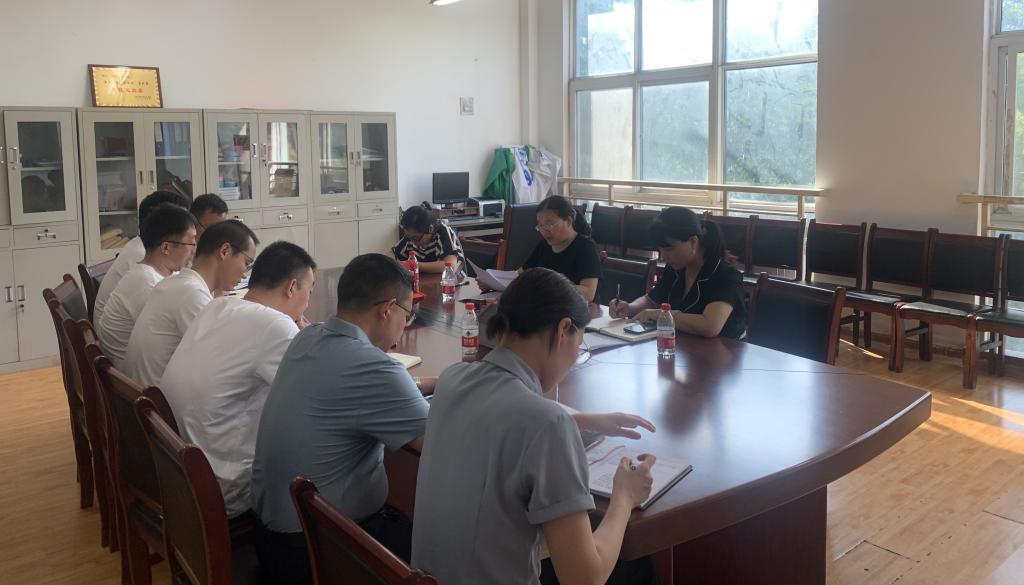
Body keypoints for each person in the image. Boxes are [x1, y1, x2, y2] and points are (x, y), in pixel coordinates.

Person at [412, 267, 659, 585]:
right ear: (563, 330)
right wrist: (624, 496)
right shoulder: (547, 424)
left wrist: (581, 420)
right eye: (579, 346)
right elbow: (585, 579)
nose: (574, 358)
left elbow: (505, 417)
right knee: (639, 568)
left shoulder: (452, 380)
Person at [253, 254, 433, 585]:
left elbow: (356, 388)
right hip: (320, 554)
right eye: (406, 315)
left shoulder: (308, 337)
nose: (403, 327)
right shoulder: (375, 368)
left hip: (271, 540)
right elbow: (440, 442)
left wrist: (424, 384)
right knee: (437, 547)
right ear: (387, 309)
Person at [160, 241, 316, 520]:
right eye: (310, 291)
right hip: (225, 488)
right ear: (292, 287)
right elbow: (317, 397)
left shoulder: (218, 305)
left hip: (180, 472)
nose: (308, 303)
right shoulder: (275, 325)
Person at [123, 220, 258, 387]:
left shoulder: (178, 283)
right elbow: (220, 364)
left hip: (145, 394)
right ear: (225, 251)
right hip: (157, 399)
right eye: (247, 263)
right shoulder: (192, 294)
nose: (245, 274)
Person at [609, 206, 747, 339]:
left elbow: (710, 326)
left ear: (693, 242)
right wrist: (629, 308)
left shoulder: (725, 274)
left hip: (724, 349)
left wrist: (660, 315)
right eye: (660, 250)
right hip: (685, 345)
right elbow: (651, 300)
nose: (664, 257)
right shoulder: (676, 267)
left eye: (669, 249)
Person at [96, 204, 197, 368]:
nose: (194, 250)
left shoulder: (150, 273)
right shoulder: (148, 284)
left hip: (131, 370)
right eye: (191, 242)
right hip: (129, 378)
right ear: (166, 247)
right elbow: (185, 341)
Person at [94, 190, 190, 324]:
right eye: (182, 222)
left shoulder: (146, 247)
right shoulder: (142, 255)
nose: (188, 227)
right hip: (122, 333)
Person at [520, 195, 602, 302]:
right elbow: (521, 274)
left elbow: (588, 293)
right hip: (546, 306)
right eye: (540, 226)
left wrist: (549, 286)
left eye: (549, 224)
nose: (544, 231)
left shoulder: (586, 247)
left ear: (568, 221)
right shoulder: (543, 246)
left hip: (577, 309)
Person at [392, 205, 465, 273]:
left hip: (450, 280)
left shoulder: (443, 232)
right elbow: (392, 253)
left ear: (430, 229)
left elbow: (450, 265)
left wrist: (415, 265)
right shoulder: (411, 236)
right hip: (425, 280)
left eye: (415, 238)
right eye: (408, 237)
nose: (411, 242)